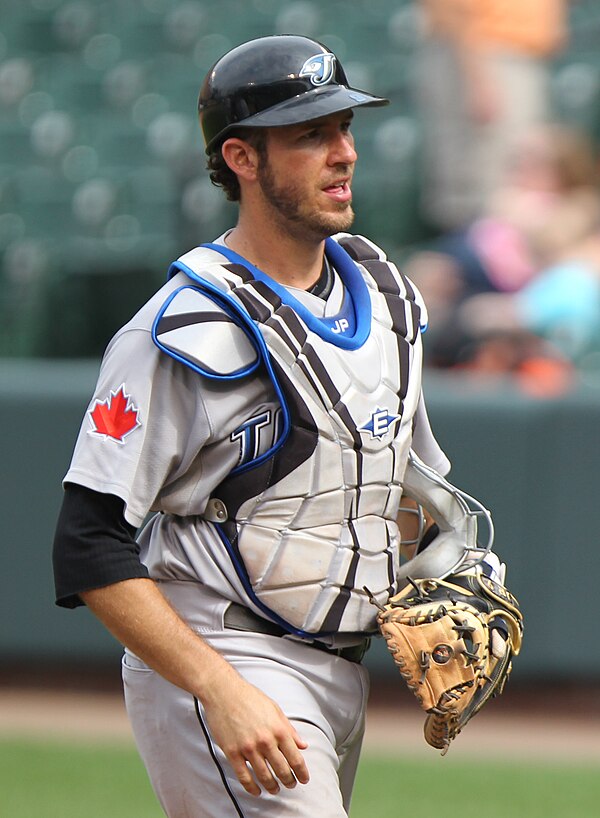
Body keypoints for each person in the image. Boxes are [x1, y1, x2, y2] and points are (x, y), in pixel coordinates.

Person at [52, 35, 454, 818]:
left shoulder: (386, 297)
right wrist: (219, 689)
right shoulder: (183, 326)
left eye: (345, 128)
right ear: (241, 158)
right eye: (310, 135)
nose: (344, 153)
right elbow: (85, 542)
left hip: (340, 670)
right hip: (225, 656)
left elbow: (399, 487)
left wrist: (439, 575)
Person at [415, 0, 568, 232]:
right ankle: (471, 260)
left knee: (517, 173)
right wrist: (477, 76)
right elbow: (456, 9)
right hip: (481, 53)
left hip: (518, 54)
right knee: (486, 181)